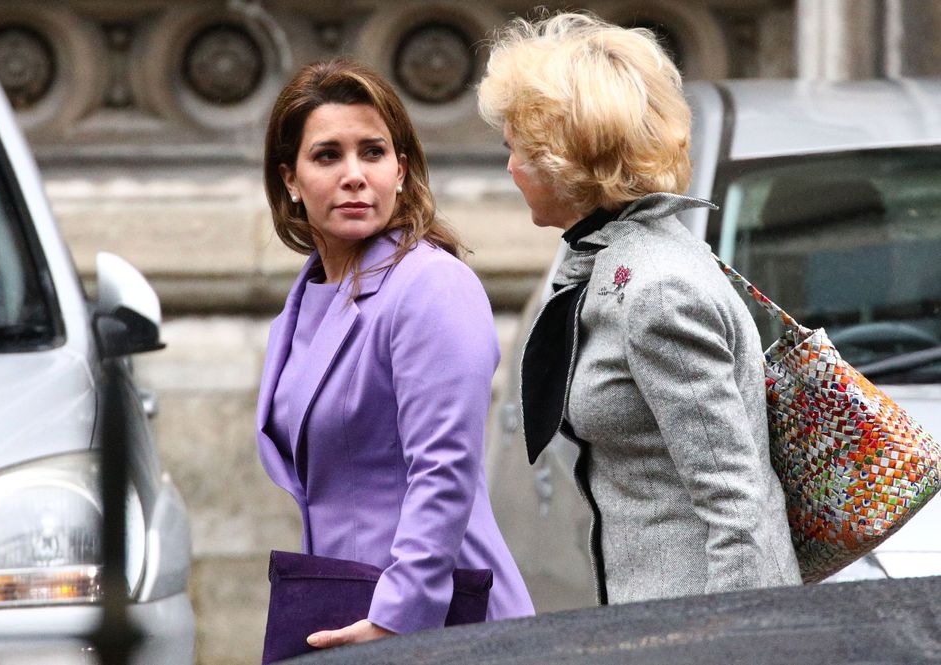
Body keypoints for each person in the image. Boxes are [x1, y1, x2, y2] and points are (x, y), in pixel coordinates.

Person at [477, 12, 801, 605]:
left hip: (695, 620)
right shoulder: (622, 257)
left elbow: (737, 499)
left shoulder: (655, 289)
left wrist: (728, 639)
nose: (509, 168)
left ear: (563, 158)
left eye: (516, 149)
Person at [256, 58, 534, 649]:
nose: (354, 175)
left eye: (373, 153)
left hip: (432, 621)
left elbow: (444, 470)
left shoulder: (432, 286)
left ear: (401, 171)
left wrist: (397, 619)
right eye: (327, 155)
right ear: (290, 179)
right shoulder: (305, 301)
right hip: (342, 610)